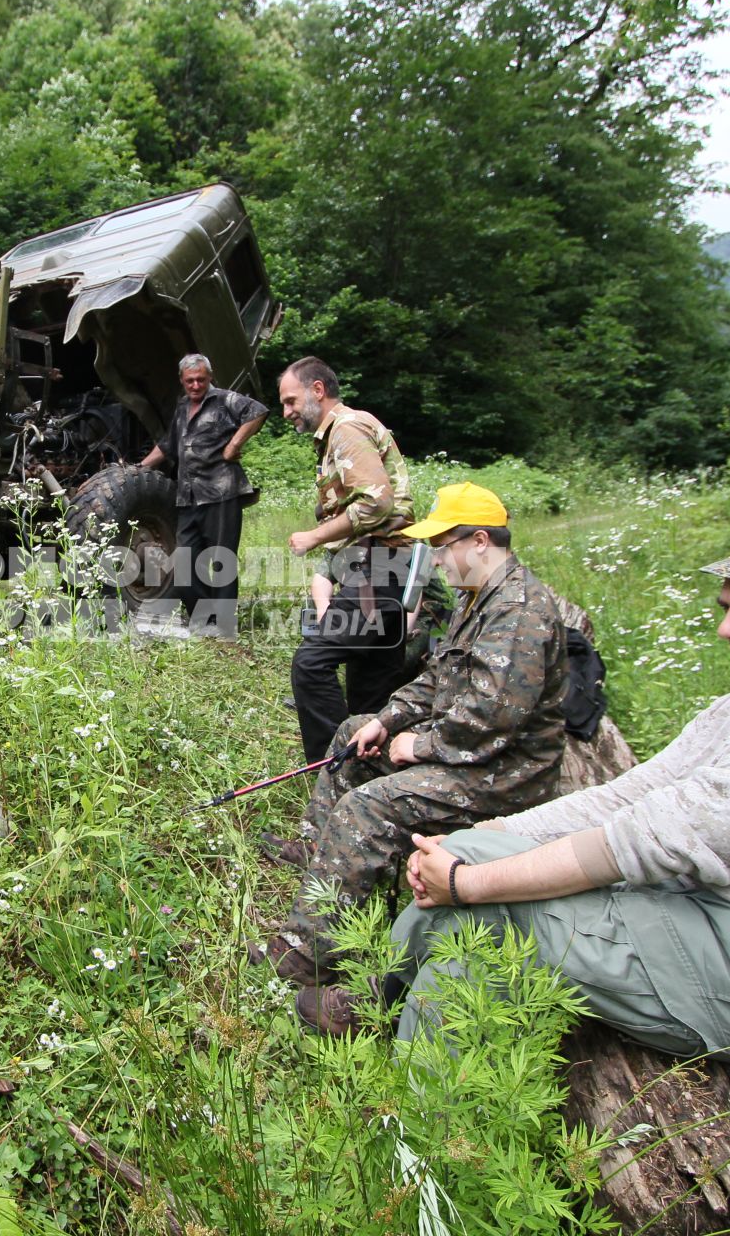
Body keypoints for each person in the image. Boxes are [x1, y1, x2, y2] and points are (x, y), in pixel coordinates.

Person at [299, 520, 730, 1090]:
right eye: (727, 606)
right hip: (718, 921)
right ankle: (381, 1008)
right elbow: (631, 794)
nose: (729, 627)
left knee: (484, 916)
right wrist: (487, 838)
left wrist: (468, 880)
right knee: (470, 863)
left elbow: (649, 841)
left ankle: (422, 1129)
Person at [254, 483, 569, 986]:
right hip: (468, 750)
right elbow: (437, 679)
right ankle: (321, 852)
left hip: (504, 773)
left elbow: (492, 721)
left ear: (480, 541)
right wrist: (388, 720)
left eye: (443, 547)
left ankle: (307, 954)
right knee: (353, 731)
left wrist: (418, 745)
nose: (437, 561)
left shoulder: (519, 613)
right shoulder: (479, 597)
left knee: (368, 806)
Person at [277, 357, 416, 762]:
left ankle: (332, 765)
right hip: (386, 568)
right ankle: (367, 780)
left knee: (311, 663)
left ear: (317, 390)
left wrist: (315, 536)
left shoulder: (347, 428)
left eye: (290, 401)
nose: (286, 412)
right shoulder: (341, 432)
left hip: (380, 567)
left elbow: (377, 501)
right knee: (369, 688)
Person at [137, 353, 267, 636]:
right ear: (182, 381)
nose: (195, 385)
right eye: (190, 381)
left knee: (221, 561)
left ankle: (223, 626)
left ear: (209, 377)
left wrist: (234, 445)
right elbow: (168, 445)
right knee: (183, 566)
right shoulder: (183, 406)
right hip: (188, 497)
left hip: (221, 493)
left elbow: (258, 411)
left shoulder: (224, 399)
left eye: (200, 379)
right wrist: (140, 468)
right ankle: (204, 617)